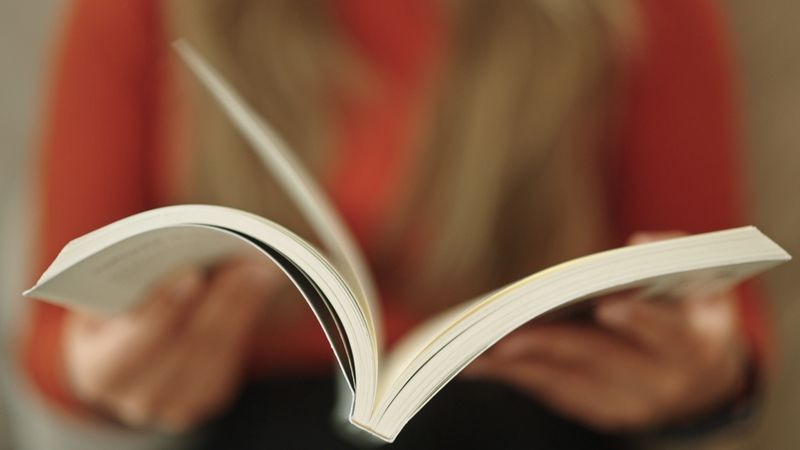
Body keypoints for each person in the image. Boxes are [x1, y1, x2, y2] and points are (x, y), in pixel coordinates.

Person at [22, 0, 769, 448]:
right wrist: (100, 372)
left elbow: (728, 313)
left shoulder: (636, 15)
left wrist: (703, 377)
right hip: (266, 423)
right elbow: (54, 332)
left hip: (532, 420)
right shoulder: (141, 14)